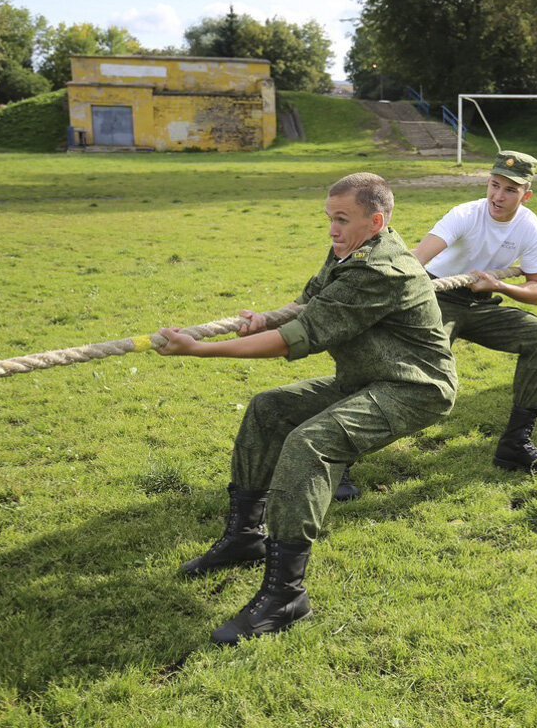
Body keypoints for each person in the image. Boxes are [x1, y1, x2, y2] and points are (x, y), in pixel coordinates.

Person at [154, 173, 457, 644]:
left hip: (415, 387)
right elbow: (306, 306)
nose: (332, 229)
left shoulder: (382, 268)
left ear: (375, 221)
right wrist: (263, 317)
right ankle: (244, 538)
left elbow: (295, 340)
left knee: (310, 444)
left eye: (342, 220)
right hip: (366, 377)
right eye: (329, 219)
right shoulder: (349, 250)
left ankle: (285, 597)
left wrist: (199, 351)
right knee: (268, 409)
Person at [408, 150, 537, 477]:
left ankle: (515, 445)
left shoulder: (530, 227)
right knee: (418, 373)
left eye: (510, 190)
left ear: (526, 194)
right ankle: (344, 455)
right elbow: (417, 260)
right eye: (494, 185)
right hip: (439, 296)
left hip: (483, 301)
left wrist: (500, 286)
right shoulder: (464, 214)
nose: (498, 196)